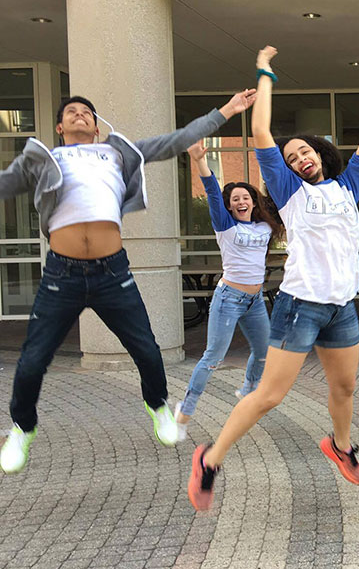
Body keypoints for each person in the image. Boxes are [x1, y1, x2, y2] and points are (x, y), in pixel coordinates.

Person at [0, 89, 256, 474]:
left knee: (147, 351)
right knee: (34, 359)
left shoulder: (117, 153)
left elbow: (177, 140)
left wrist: (227, 111)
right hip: (61, 274)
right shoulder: (44, 158)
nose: (80, 115)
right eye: (71, 112)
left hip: (112, 272)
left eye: (87, 111)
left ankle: (158, 407)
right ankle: (22, 427)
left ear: (97, 124)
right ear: (59, 126)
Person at [188, 46, 359, 511]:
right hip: (300, 306)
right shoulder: (288, 191)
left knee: (344, 388)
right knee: (269, 395)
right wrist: (264, 74)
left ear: (320, 153)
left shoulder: (349, 184)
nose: (300, 157)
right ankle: (210, 460)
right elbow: (260, 130)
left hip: (341, 306)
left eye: (305, 150)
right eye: (292, 155)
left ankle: (340, 446)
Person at [174, 140, 283, 440]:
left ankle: (248, 389)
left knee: (263, 352)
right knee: (213, 357)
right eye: (234, 199)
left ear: (253, 201)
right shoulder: (225, 226)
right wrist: (199, 161)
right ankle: (185, 410)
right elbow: (211, 191)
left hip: (255, 301)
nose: (240, 201)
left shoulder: (263, 227)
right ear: (229, 205)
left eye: (245, 197)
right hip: (228, 300)